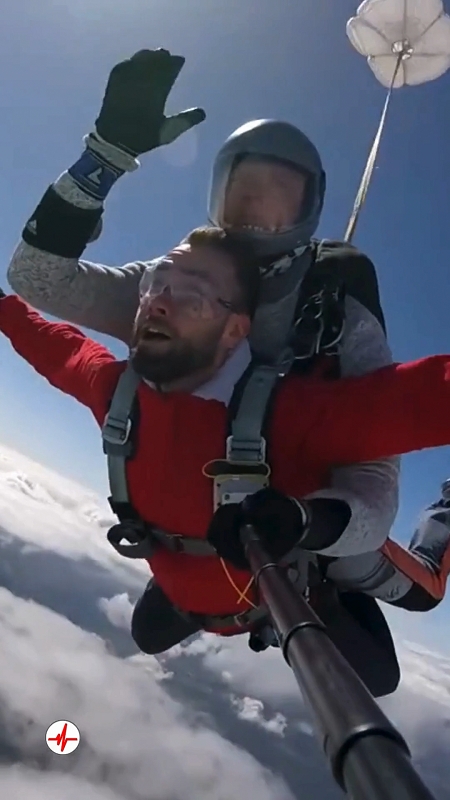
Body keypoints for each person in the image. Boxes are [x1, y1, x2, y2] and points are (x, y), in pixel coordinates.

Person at [6, 50, 400, 625]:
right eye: (242, 195)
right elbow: (36, 279)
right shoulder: (176, 284)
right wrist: (103, 158)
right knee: (149, 632)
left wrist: (309, 523)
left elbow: (376, 472)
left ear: (308, 210)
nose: (255, 213)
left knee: (411, 599)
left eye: (276, 198)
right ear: (216, 199)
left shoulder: (333, 307)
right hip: (190, 527)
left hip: (287, 536)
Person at [2, 226, 450, 675]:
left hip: (292, 581)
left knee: (414, 615)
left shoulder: (286, 414)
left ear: (236, 330)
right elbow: (52, 344)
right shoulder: (116, 393)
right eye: (155, 283)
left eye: (192, 296)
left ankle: (440, 517)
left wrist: (307, 522)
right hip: (202, 596)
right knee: (146, 634)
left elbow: (420, 401)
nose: (157, 302)